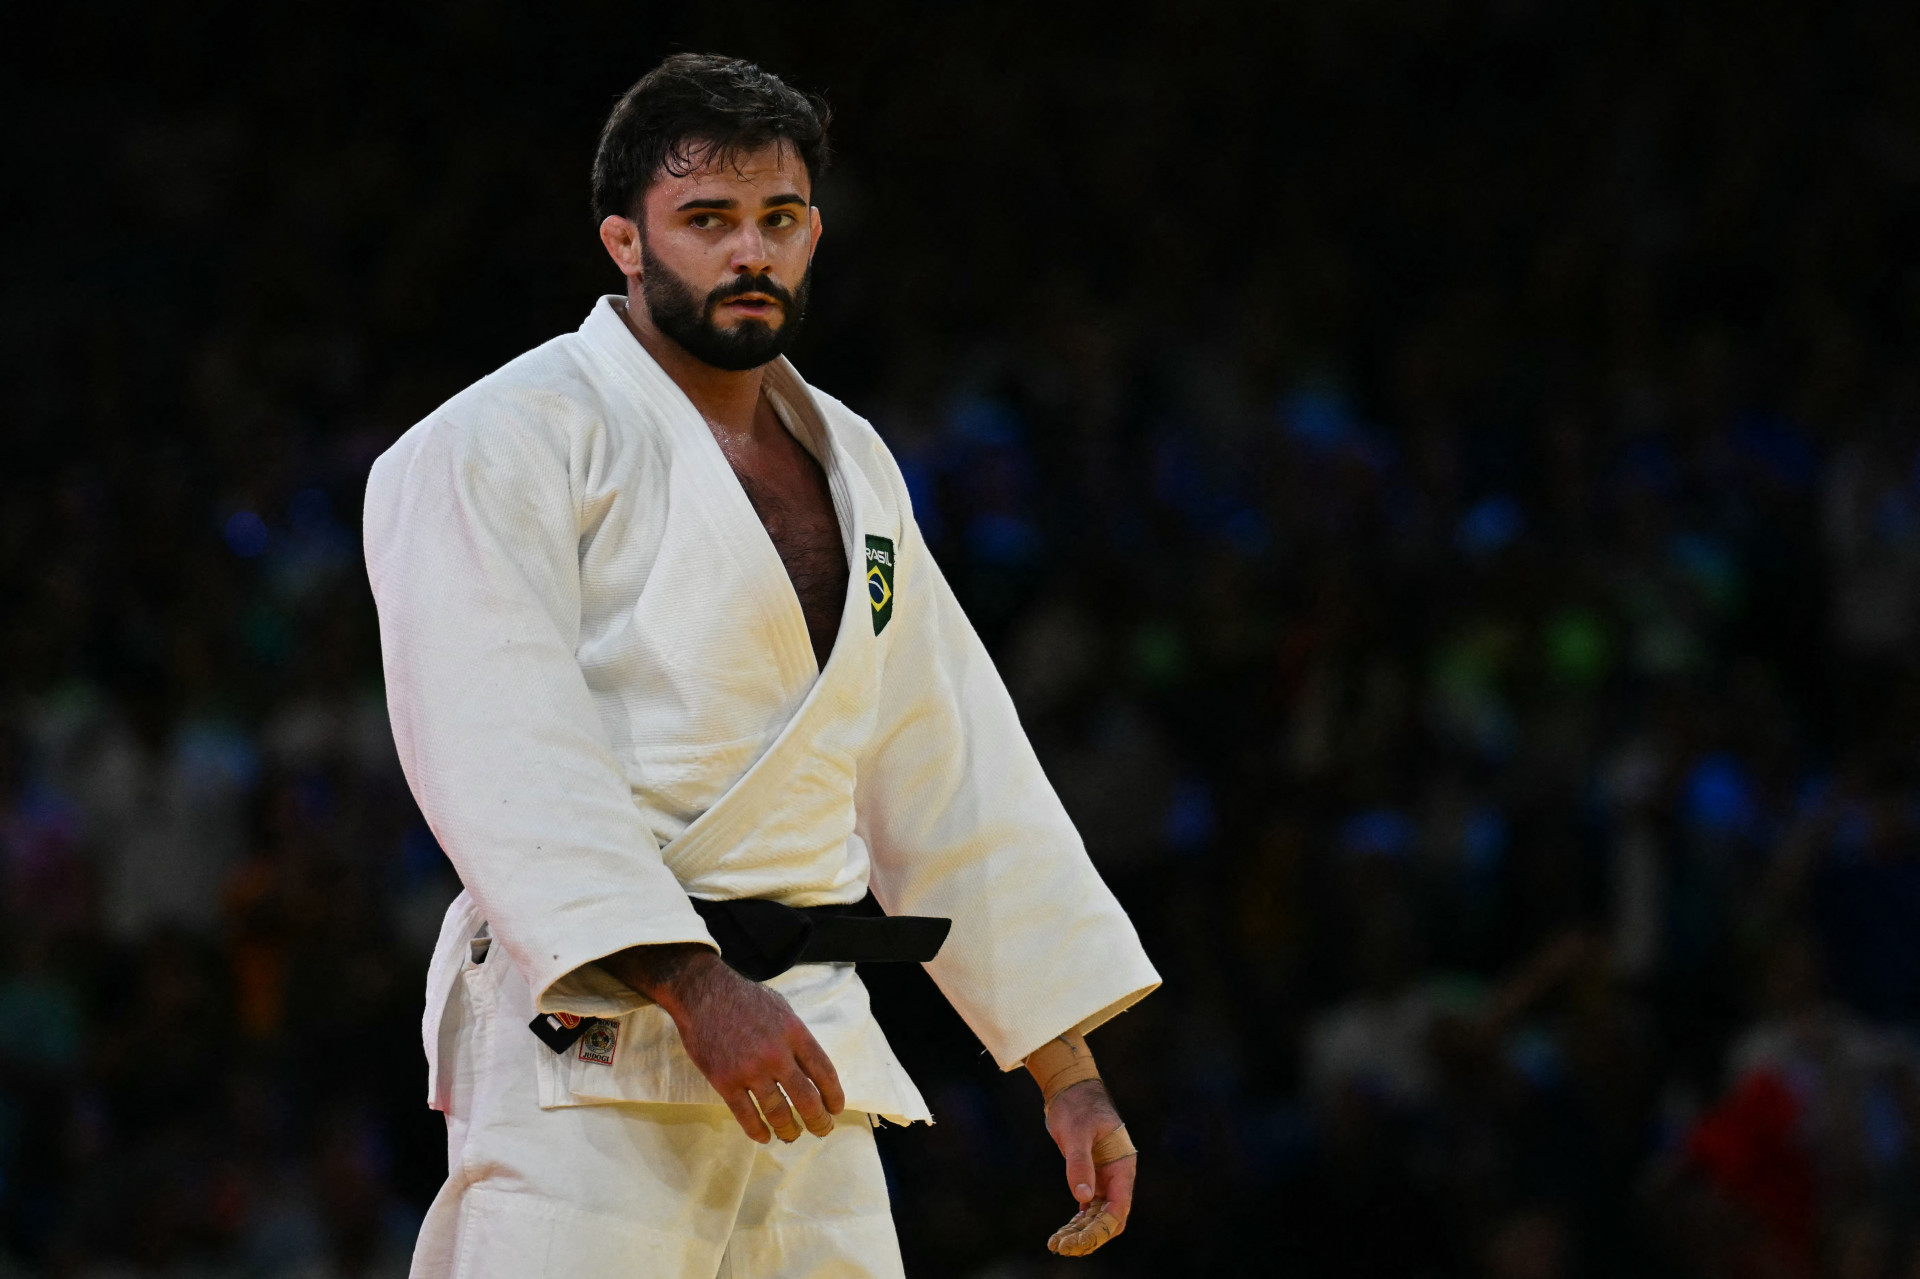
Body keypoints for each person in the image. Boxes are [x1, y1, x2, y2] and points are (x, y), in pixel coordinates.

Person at [363, 54, 1160, 1279]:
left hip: (813, 1039)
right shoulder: (495, 443)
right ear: (625, 242)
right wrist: (694, 982)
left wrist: (1066, 1065)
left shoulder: (852, 460)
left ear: (814, 233)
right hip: (593, 1043)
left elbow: (944, 760)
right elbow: (497, 752)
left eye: (778, 220)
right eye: (708, 221)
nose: (751, 252)